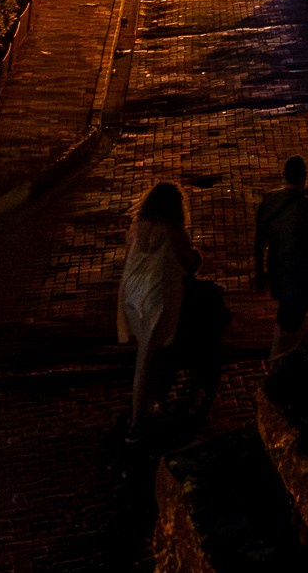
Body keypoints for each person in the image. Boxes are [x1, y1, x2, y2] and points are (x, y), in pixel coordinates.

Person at [118, 182, 201, 435]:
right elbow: (190, 263)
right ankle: (137, 419)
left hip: (131, 294)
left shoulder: (136, 228)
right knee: (147, 357)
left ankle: (147, 405)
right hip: (156, 298)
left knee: (145, 351)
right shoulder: (172, 231)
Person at [253, 156, 308, 355]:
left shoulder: (269, 201)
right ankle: (281, 360)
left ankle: (283, 356)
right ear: (304, 178)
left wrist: (259, 272)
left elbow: (259, 242)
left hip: (277, 269)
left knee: (287, 315)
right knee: (291, 320)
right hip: (300, 273)